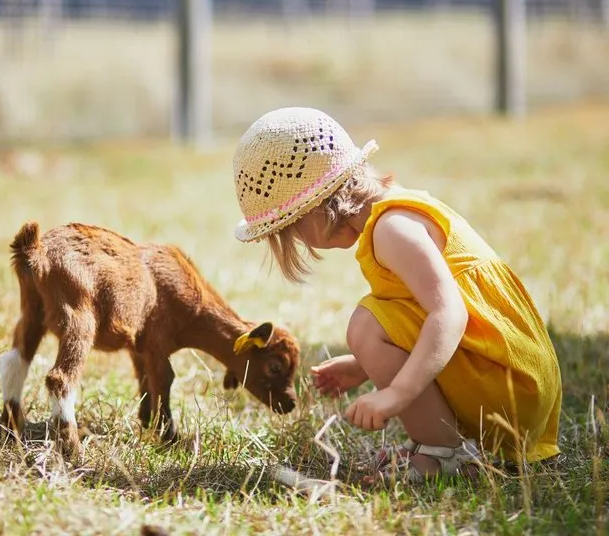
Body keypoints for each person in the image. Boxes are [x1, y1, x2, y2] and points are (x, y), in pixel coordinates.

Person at [231, 107, 562, 483]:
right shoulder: (394, 211)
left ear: (315, 210)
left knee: (366, 325)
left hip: (510, 391)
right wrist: (362, 365)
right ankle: (440, 444)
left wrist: (398, 393)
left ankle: (444, 454)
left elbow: (450, 314)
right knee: (371, 328)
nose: (301, 244)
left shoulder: (392, 230)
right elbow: (421, 311)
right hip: (510, 380)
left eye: (291, 231)